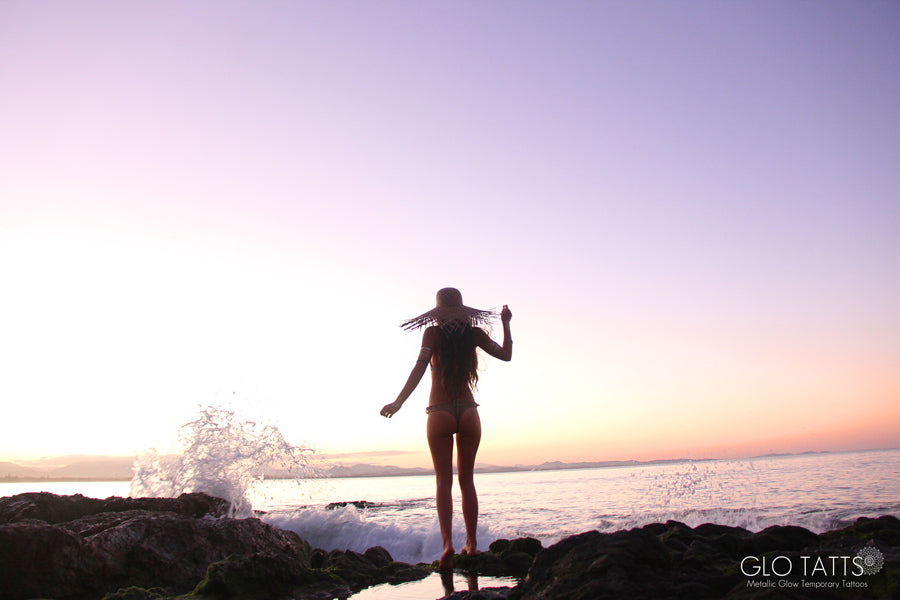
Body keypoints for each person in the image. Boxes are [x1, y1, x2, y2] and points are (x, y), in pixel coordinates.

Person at [381, 287, 512, 570]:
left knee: (444, 482)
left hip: (438, 412)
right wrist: (506, 324)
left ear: (438, 313)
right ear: (463, 311)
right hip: (468, 412)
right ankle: (473, 544)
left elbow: (419, 367)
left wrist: (399, 401)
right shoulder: (475, 334)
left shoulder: (432, 334)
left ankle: (447, 546)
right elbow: (506, 355)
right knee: (467, 481)